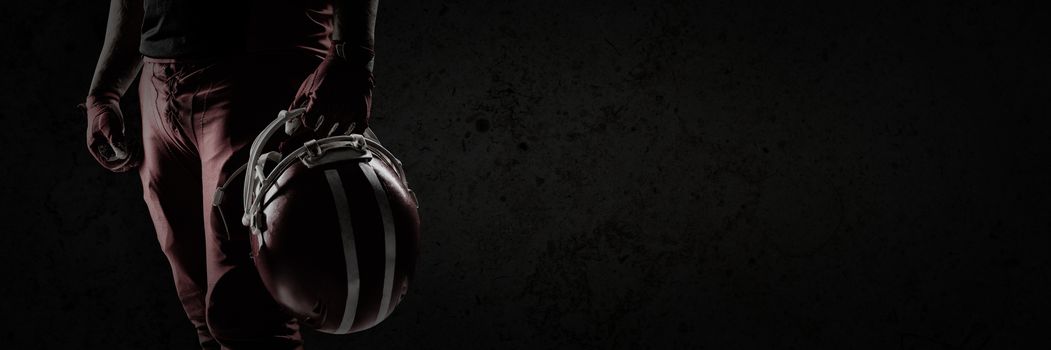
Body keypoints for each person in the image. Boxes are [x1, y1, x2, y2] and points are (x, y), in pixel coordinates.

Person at [82, 0, 379, 348]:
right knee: (207, 317)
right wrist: (104, 91)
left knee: (250, 321)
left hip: (260, 70)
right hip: (159, 81)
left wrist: (352, 55)